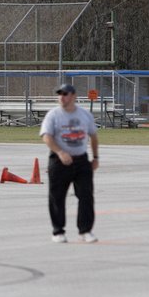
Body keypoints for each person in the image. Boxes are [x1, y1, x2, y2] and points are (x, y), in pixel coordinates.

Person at [39, 84, 99, 244]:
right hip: (59, 160)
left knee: (86, 196)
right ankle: (58, 231)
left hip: (81, 160)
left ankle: (85, 230)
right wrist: (60, 152)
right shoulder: (53, 115)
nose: (62, 97)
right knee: (57, 196)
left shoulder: (85, 115)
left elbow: (93, 136)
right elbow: (46, 136)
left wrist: (96, 158)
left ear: (73, 96)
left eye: (65, 94)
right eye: (59, 94)